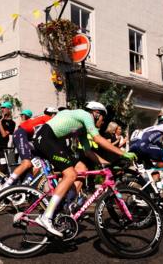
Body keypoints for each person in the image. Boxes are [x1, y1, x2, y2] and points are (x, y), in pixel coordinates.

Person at [33, 101, 136, 237]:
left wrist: (106, 164)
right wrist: (122, 153)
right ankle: (46, 217)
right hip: (46, 138)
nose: (102, 122)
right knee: (71, 174)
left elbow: (88, 152)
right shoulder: (85, 115)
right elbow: (98, 139)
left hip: (46, 138)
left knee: (70, 173)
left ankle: (58, 210)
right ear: (96, 114)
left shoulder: (80, 128)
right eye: (102, 119)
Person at [0, 107, 58, 189]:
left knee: (38, 163)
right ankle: (5, 186)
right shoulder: (48, 119)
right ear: (53, 115)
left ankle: (24, 186)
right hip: (21, 134)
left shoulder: (42, 118)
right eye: (57, 116)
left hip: (26, 137)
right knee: (26, 163)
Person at [130, 114, 163, 196]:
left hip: (134, 147)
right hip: (143, 146)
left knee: (155, 174)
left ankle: (146, 196)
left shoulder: (155, 128)